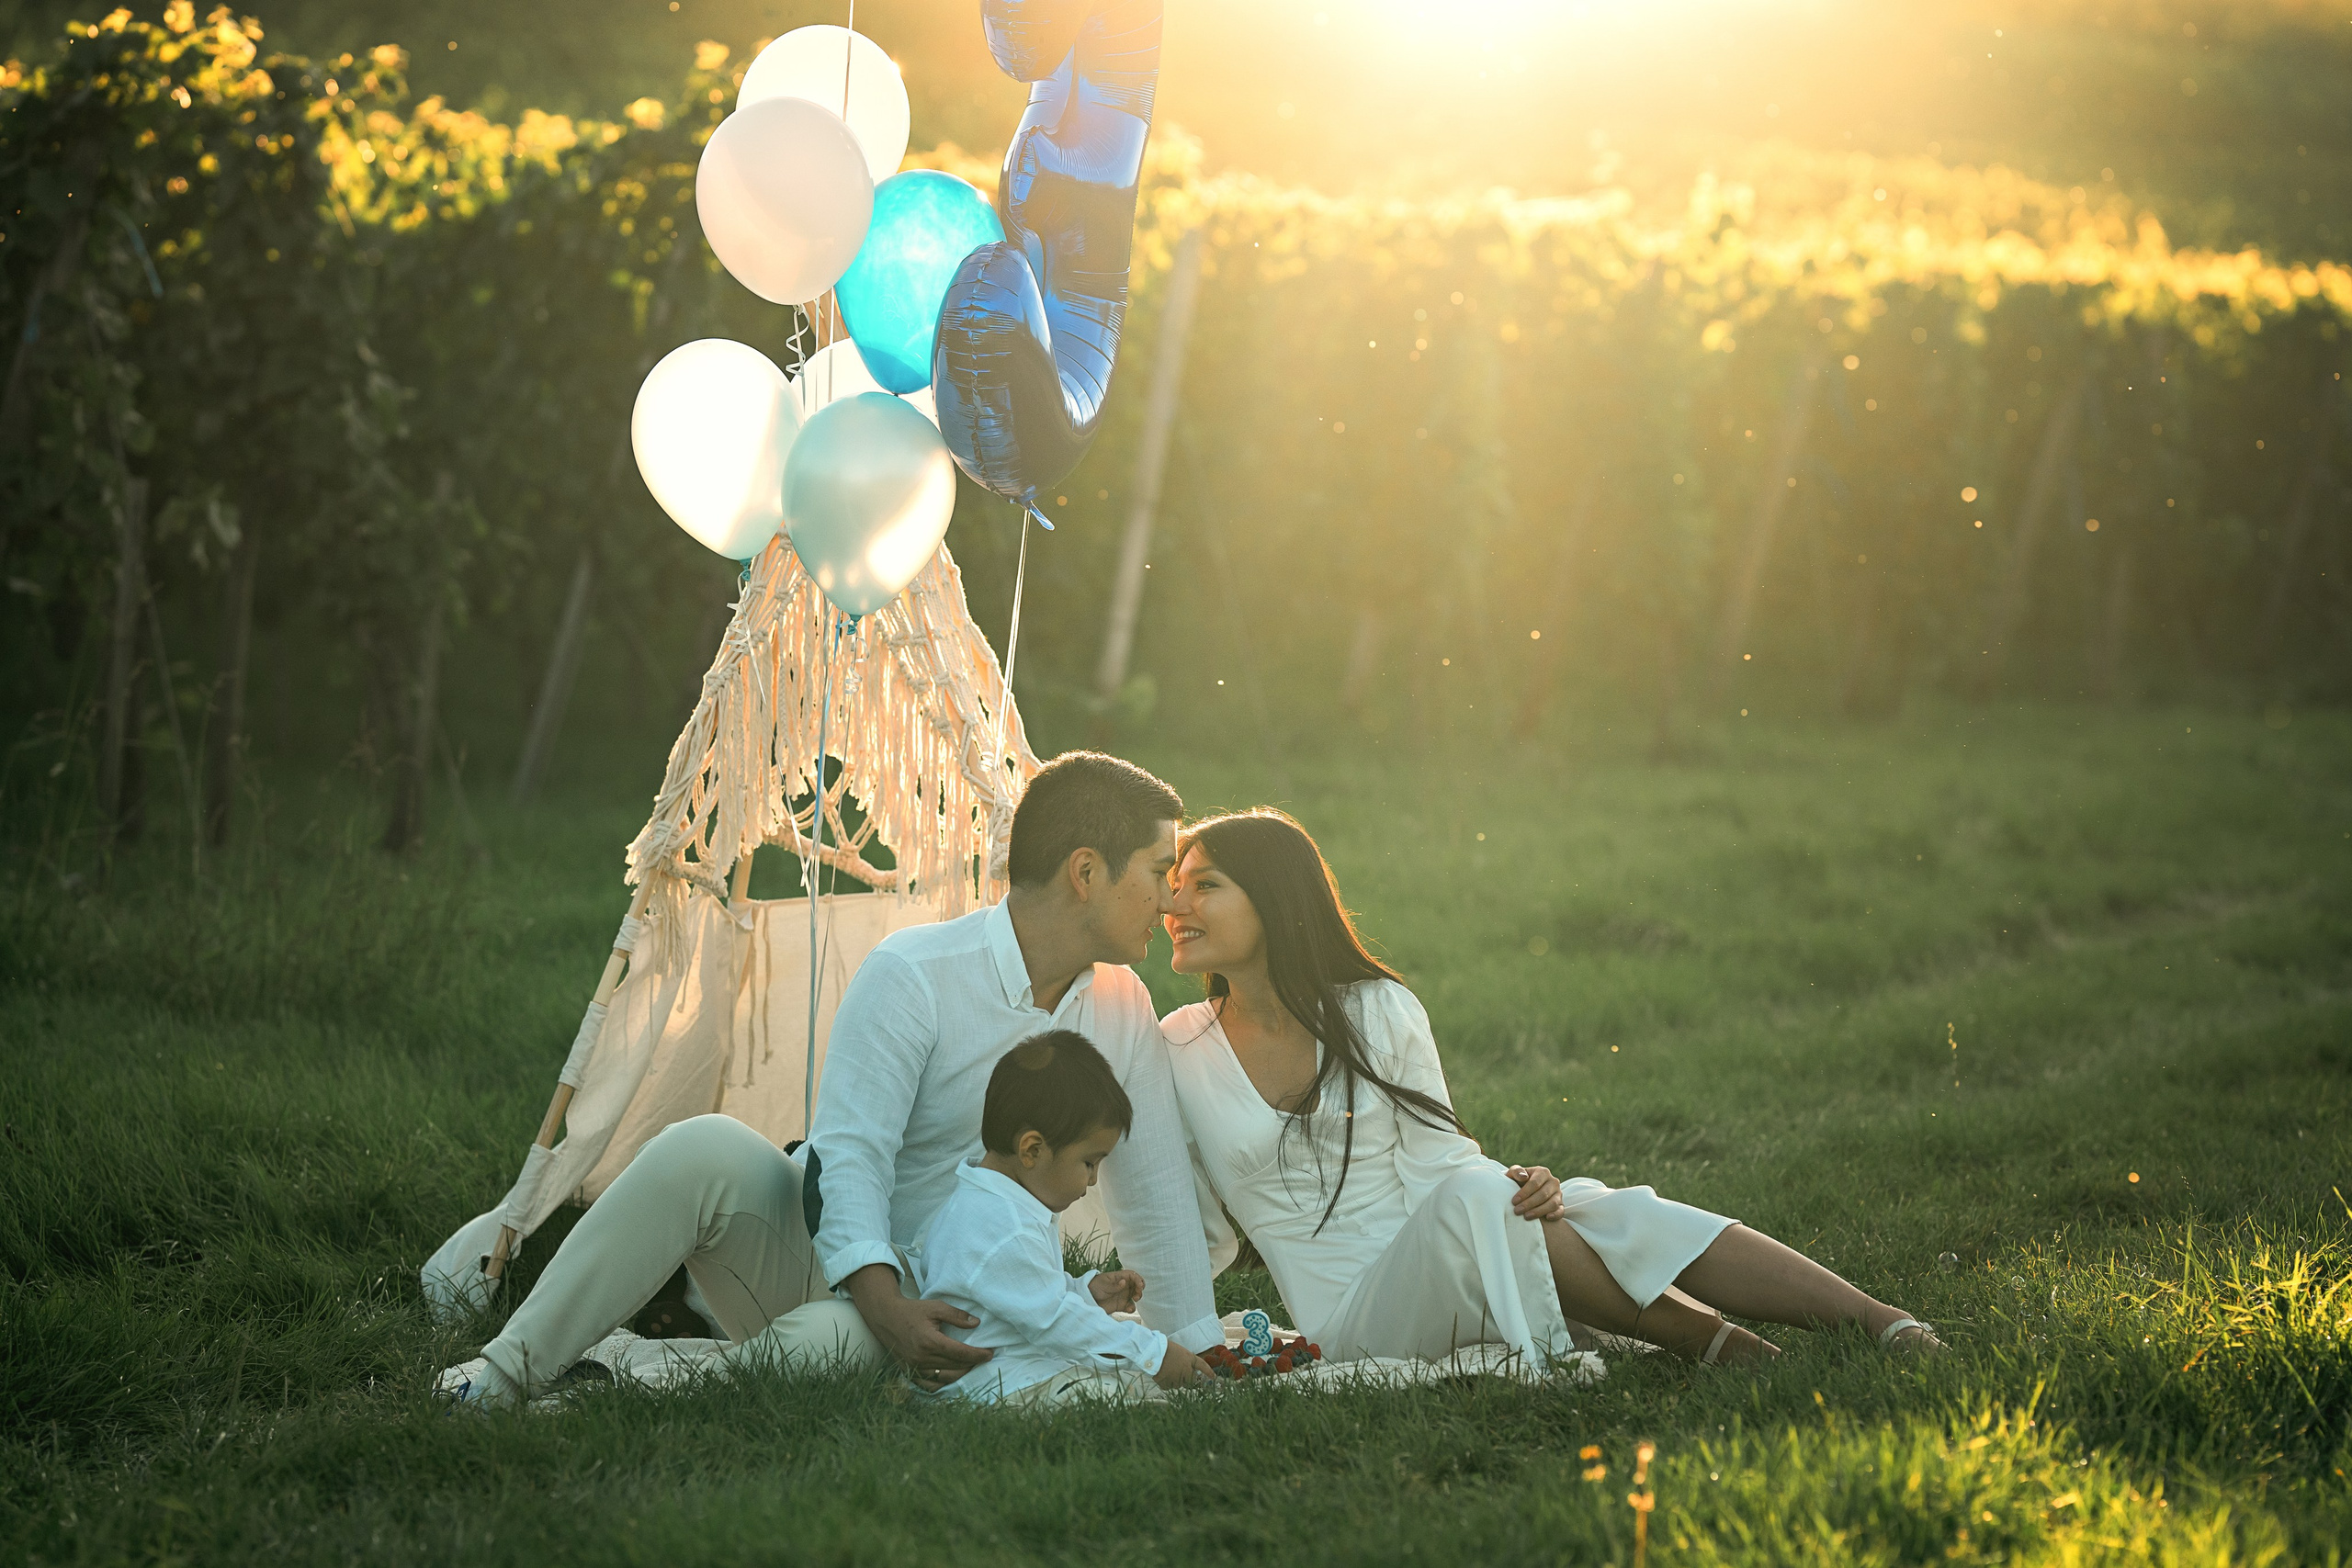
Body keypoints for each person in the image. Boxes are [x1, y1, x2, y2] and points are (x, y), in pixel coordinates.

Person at [455, 752, 1223, 1406]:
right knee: (704, 1148)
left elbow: (1156, 1195)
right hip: (815, 1255)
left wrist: (1198, 1357)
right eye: (1160, 871)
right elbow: (847, 1156)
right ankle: (502, 1375)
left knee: (834, 1345)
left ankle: (643, 1396)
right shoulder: (915, 972)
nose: (1171, 897)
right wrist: (885, 1304)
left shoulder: (1124, 1008)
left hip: (963, 1303)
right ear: (1086, 872)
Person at [1161, 808, 1941, 1369]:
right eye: (1173, 884)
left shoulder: (1377, 1007)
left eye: (1205, 885)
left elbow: (1440, 1162)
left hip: (1449, 1237)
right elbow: (1184, 1218)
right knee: (1487, 1203)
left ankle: (1885, 1321)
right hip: (1357, 1317)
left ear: (1275, 899)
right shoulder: (1178, 1047)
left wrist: (1514, 1186)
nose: (1176, 905)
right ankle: (1719, 1344)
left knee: (1591, 1204)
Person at [911, 1032, 1207, 1404]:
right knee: (1108, 1391)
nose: (1094, 1179)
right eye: (1089, 1162)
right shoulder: (1003, 1226)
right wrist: (1153, 1353)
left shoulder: (995, 1205)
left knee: (1108, 1375)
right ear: (1032, 1150)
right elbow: (1055, 1320)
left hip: (1015, 1362)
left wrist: (1084, 1292)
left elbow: (1026, 1296)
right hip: (995, 1380)